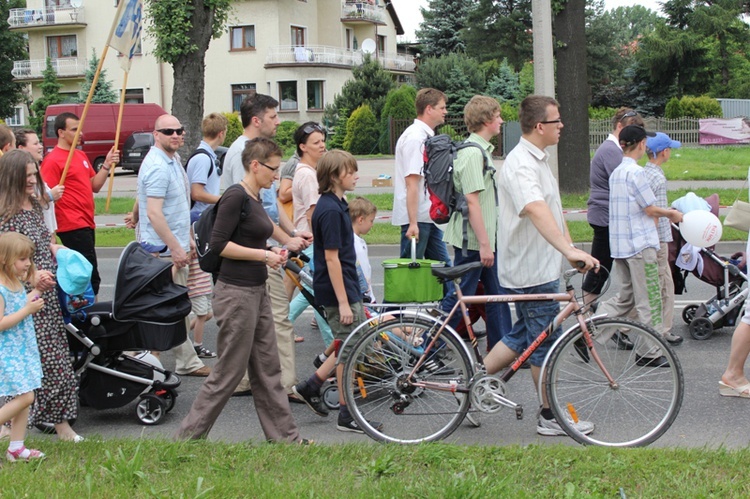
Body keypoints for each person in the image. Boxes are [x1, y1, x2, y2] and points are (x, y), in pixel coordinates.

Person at [175, 137, 305, 443]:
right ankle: (187, 437)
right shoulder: (235, 196)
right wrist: (265, 255)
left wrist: (289, 240)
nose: (277, 176)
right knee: (229, 372)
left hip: (255, 289)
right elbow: (220, 245)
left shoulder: (255, 196)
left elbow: (262, 228)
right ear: (255, 165)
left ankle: (287, 440)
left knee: (268, 370)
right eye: (273, 169)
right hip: (236, 293)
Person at [485, 95, 599, 437]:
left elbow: (553, 209)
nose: (562, 125)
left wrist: (569, 251)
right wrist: (567, 249)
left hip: (542, 266)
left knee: (527, 335)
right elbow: (535, 209)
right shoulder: (521, 164)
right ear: (539, 126)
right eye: (557, 120)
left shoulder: (539, 159)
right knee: (545, 342)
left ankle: (471, 383)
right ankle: (549, 415)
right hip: (530, 270)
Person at [221, 93, 310, 399]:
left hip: (267, 247)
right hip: (259, 252)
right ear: (256, 120)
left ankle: (246, 380)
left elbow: (267, 207)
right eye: (273, 116)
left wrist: (292, 233)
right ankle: (284, 384)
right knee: (277, 319)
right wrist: (278, 244)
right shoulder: (241, 155)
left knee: (256, 321)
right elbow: (248, 208)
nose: (278, 121)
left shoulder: (257, 153)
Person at [293, 150, 382, 433]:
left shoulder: (339, 204)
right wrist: (343, 303)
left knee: (346, 345)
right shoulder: (329, 210)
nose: (356, 175)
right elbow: (331, 258)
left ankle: (311, 386)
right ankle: (346, 414)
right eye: (350, 171)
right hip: (337, 291)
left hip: (347, 286)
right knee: (349, 351)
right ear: (334, 177)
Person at [0, 149, 82, 441]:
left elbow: (43, 240)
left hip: (44, 296)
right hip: (20, 298)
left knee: (57, 360)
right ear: (12, 179)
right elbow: (8, 259)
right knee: (22, 365)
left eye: (35, 174)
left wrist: (56, 250)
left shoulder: (34, 204)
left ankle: (61, 424)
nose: (34, 181)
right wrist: (31, 276)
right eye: (27, 177)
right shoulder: (5, 215)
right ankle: (10, 426)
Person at [596, 125, 683, 366]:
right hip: (640, 244)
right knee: (650, 300)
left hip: (621, 245)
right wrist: (672, 214)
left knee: (627, 298)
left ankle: (590, 331)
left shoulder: (616, 173)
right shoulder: (637, 174)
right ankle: (649, 352)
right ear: (642, 144)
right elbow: (650, 208)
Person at [137, 114, 210, 378]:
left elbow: (169, 206)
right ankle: (147, 360)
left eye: (180, 130)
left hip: (174, 246)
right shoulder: (158, 166)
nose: (176, 135)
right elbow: (155, 213)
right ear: (156, 134)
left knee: (176, 307)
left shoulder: (173, 159)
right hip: (162, 253)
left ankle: (179, 361)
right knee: (166, 308)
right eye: (169, 131)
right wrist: (175, 248)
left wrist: (187, 238)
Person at [438, 95, 511, 350]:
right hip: (474, 242)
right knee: (460, 299)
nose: (502, 120)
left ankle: (502, 349)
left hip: (485, 240)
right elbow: (472, 202)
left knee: (498, 295)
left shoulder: (480, 151)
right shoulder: (473, 154)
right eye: (498, 116)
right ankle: (428, 348)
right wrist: (484, 245)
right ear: (487, 120)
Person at [40, 112, 119, 296]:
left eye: (80, 129)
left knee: (89, 272)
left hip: (87, 221)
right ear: (61, 132)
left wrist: (106, 165)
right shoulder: (52, 161)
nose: (80, 133)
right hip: (71, 224)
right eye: (75, 130)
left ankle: (87, 314)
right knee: (88, 275)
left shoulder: (80, 155)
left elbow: (95, 186)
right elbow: (44, 197)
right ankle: (88, 317)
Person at [583, 108, 644, 310]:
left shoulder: (613, 149)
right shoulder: (611, 150)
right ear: (619, 127)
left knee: (604, 265)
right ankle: (587, 313)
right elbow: (624, 183)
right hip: (605, 216)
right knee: (600, 266)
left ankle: (593, 311)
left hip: (606, 215)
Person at [185, 112, 228, 359]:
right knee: (200, 285)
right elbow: (198, 193)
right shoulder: (203, 158)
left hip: (201, 221)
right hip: (199, 224)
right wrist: (224, 199)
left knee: (201, 287)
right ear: (221, 133)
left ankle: (184, 335)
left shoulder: (207, 155)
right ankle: (189, 339)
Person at [0, 232, 46, 461]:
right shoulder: (0, 288)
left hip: (22, 349)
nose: (27, 263)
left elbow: (20, 305)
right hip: (8, 352)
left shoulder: (16, 283)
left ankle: (16, 448)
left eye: (28, 258)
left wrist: (37, 294)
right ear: (5, 259)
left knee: (26, 396)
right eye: (22, 259)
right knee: (26, 397)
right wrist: (27, 311)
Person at [392, 88, 451, 264]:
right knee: (411, 270)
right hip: (418, 219)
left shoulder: (424, 136)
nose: (445, 112)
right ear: (429, 109)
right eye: (442, 107)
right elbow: (412, 183)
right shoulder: (415, 139)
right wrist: (413, 223)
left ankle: (450, 292)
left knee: (443, 268)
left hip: (427, 216)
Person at [288, 122, 334, 346]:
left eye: (323, 140)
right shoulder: (307, 175)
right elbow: (313, 214)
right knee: (317, 291)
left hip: (309, 239)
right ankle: (332, 346)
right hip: (312, 239)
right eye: (316, 142)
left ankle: (279, 327)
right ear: (302, 147)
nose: (322, 145)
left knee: (314, 291)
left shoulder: (309, 172)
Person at [644, 132, 683, 345]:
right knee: (660, 286)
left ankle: (664, 329)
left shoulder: (644, 173)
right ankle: (660, 331)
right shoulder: (658, 177)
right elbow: (654, 213)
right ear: (664, 152)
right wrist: (670, 213)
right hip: (657, 240)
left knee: (662, 285)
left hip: (652, 239)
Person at [16, 129, 64, 250]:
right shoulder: (19, 179)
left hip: (48, 236)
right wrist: (50, 196)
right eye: (35, 143)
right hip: (37, 242)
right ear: (21, 148)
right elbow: (28, 206)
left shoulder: (38, 175)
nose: (40, 147)